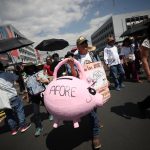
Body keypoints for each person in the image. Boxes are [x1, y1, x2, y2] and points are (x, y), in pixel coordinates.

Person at [66, 36, 102, 149]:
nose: (85, 45)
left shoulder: (93, 54)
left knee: (94, 109)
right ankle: (95, 136)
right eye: (82, 44)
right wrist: (72, 66)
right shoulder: (74, 59)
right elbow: (74, 76)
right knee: (91, 113)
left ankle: (95, 122)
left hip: (95, 86)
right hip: (83, 89)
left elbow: (99, 68)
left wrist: (105, 81)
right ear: (78, 46)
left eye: (86, 43)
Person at [0, 62, 31, 136]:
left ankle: (13, 129)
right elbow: (18, 78)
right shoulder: (6, 74)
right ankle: (23, 126)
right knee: (19, 110)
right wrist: (19, 70)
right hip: (12, 96)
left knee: (8, 114)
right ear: (2, 67)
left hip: (3, 99)